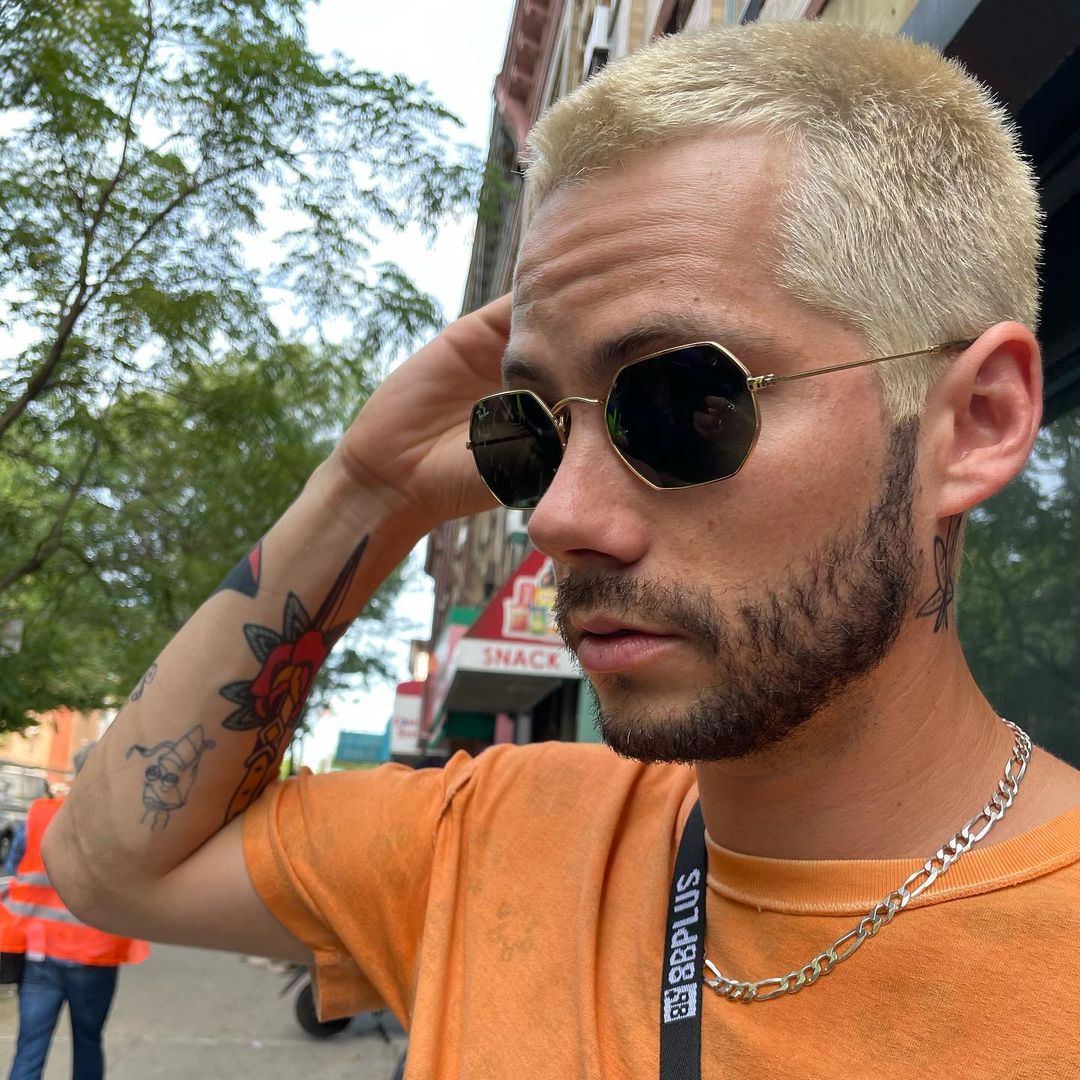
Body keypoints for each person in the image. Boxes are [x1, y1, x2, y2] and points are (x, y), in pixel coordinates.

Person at [40, 20, 1080, 1078]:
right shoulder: (497, 839)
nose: (557, 516)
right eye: (530, 430)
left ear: (975, 424)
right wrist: (370, 489)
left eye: (681, 405)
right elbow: (110, 864)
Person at [1, 745, 148, 1080]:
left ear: (77, 772)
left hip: (41, 953)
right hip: (94, 955)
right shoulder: (125, 828)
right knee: (88, 1041)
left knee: (30, 1047)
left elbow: (16, 869)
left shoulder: (39, 816)